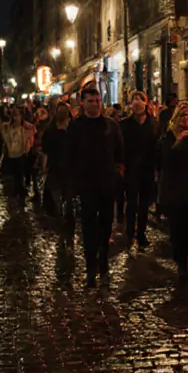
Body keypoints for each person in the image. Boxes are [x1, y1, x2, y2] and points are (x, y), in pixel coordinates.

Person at [66, 86, 125, 288]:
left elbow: (119, 151)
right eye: (90, 101)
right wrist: (74, 185)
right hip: (86, 184)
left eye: (97, 101)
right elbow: (70, 156)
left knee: (106, 223)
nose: (94, 104)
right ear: (82, 103)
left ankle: (103, 259)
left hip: (107, 183)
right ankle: (91, 266)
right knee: (89, 226)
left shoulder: (111, 125)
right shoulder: (76, 127)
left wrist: (118, 172)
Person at [158, 103, 188, 286]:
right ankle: (181, 261)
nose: (186, 119)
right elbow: (165, 160)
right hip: (174, 186)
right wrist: (179, 143)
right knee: (177, 225)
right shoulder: (169, 136)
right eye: (183, 115)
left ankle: (183, 254)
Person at [121, 92, 159, 250]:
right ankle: (130, 232)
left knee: (144, 204)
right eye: (134, 100)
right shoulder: (124, 124)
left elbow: (157, 147)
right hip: (130, 169)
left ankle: (141, 233)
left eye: (140, 100)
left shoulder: (153, 124)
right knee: (131, 203)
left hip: (147, 169)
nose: (137, 103)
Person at [41, 102, 75, 244]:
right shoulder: (50, 130)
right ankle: (61, 227)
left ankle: (69, 228)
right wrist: (44, 165)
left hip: (70, 170)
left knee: (69, 202)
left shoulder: (73, 129)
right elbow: (45, 150)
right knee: (57, 201)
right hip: (55, 169)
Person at [1, 106, 34, 199]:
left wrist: (27, 146)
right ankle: (17, 189)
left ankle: (20, 189)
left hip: (21, 153)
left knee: (19, 172)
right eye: (13, 115)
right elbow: (5, 133)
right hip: (12, 152)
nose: (15, 117)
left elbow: (31, 132)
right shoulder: (8, 126)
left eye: (17, 115)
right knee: (15, 173)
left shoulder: (25, 127)